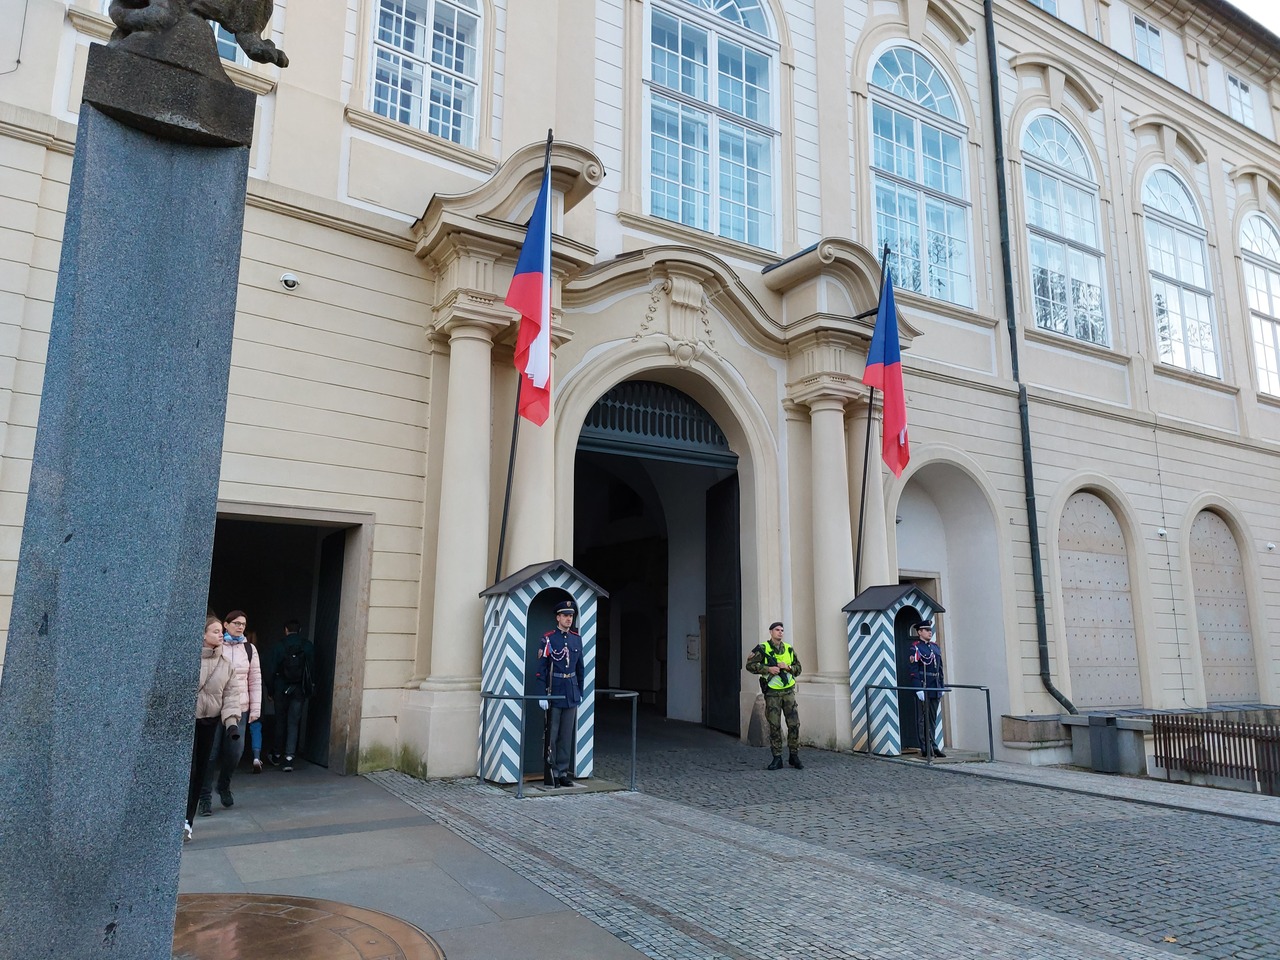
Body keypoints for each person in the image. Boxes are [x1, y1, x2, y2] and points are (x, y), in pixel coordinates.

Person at [198, 609, 261, 815]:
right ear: (226, 625)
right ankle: (204, 797)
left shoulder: (250, 649)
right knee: (209, 754)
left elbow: (255, 680)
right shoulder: (217, 645)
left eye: (243, 624)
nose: (240, 626)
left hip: (238, 708)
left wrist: (255, 708)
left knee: (235, 752)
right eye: (236, 623)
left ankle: (224, 785)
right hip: (214, 709)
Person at [185, 616, 242, 842]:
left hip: (210, 722)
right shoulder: (189, 660)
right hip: (189, 723)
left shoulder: (226, 665)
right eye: (216, 631)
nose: (220, 635)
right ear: (203, 634)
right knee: (188, 771)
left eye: (221, 631)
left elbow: (231, 696)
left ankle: (188, 821)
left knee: (201, 770)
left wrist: (231, 724)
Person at [535, 598, 584, 787]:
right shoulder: (548, 638)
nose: (568, 619)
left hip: (570, 691)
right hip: (554, 691)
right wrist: (542, 694)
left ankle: (563, 772)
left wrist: (579, 690)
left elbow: (580, 668)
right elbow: (541, 669)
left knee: (566, 735)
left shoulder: (576, 638)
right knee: (552, 736)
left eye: (571, 616)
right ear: (558, 617)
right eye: (565, 616)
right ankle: (552, 771)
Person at [746, 621, 803, 770]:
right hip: (772, 693)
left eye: (782, 630)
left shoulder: (789, 649)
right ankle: (777, 757)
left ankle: (794, 755)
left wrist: (788, 667)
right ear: (771, 632)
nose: (780, 632)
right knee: (774, 725)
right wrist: (767, 669)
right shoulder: (763, 648)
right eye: (777, 630)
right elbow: (750, 665)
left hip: (788, 691)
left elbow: (799, 668)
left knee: (794, 724)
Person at [269, 619, 314, 772]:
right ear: (300, 630)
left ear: (285, 630)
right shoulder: (307, 646)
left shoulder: (278, 646)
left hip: (281, 689)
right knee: (293, 723)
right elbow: (312, 669)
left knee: (280, 721)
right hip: (298, 690)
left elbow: (271, 669)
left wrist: (270, 691)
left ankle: (276, 754)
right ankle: (289, 758)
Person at [908, 620, 946, 759]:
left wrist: (941, 686)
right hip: (923, 685)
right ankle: (925, 747)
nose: (929, 632)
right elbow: (913, 670)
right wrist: (918, 688)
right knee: (922, 719)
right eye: (926, 630)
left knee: (932, 718)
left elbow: (939, 669)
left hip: (934, 685)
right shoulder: (916, 648)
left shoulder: (935, 647)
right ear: (919, 632)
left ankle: (934, 745)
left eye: (930, 629)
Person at [244, 629, 264, 773]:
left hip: (239, 698)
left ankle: (231, 758)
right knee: (256, 727)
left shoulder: (240, 654)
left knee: (234, 728)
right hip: (255, 696)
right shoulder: (257, 654)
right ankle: (256, 757)